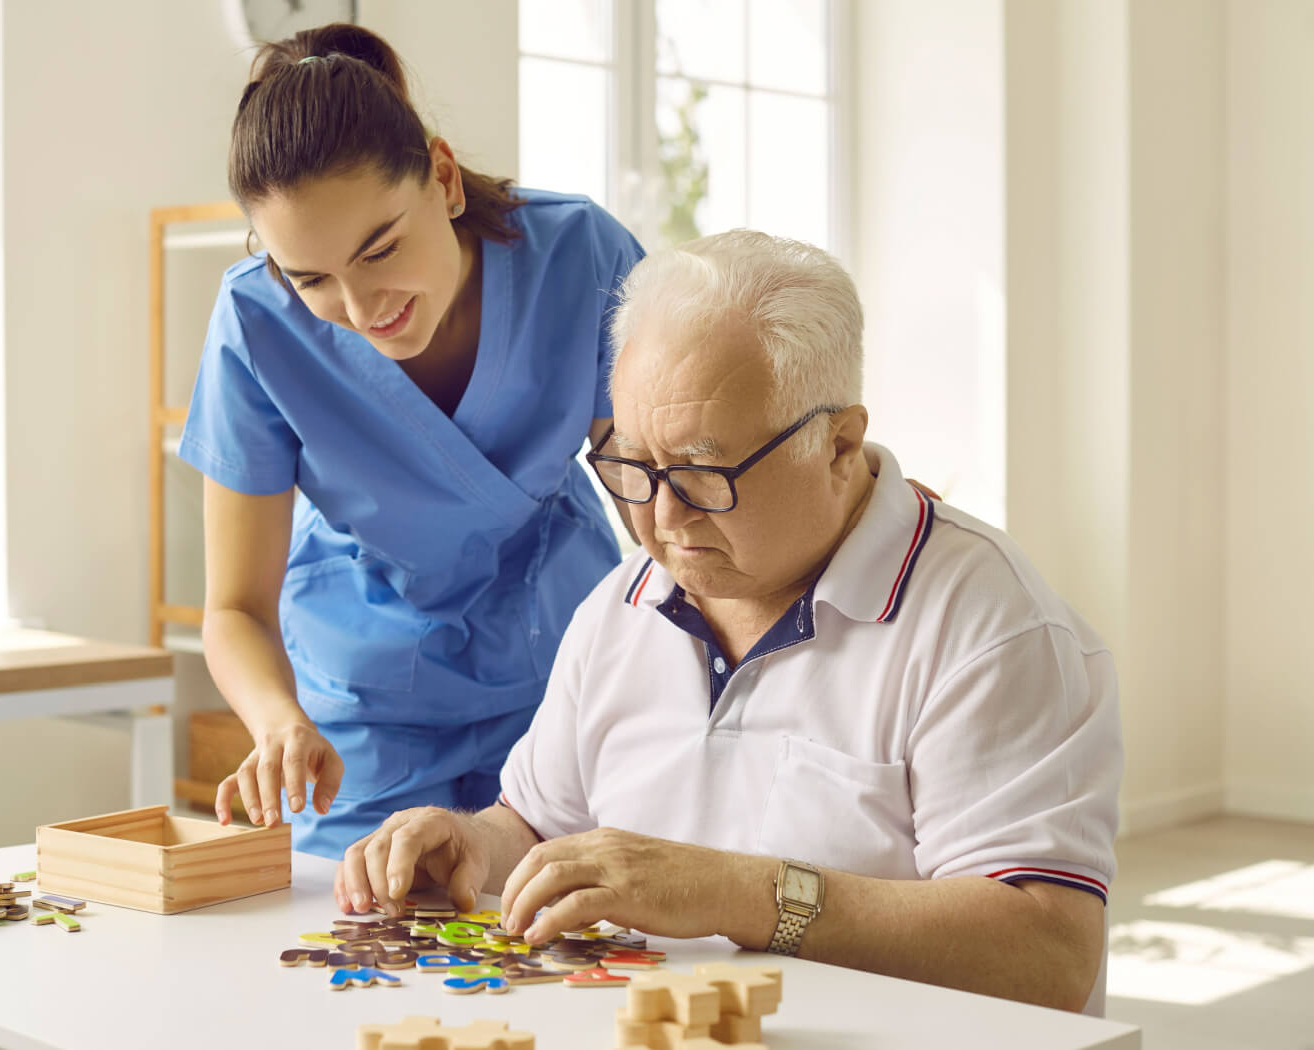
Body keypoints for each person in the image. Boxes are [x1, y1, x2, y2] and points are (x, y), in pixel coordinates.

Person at [333, 231, 1124, 1015]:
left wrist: (739, 892)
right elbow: (541, 826)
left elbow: (1049, 953)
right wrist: (472, 848)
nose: (662, 518)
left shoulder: (989, 626)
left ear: (838, 444)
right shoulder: (621, 605)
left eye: (704, 474)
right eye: (633, 467)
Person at [178, 23, 645, 858]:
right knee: (363, 932)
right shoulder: (255, 322)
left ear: (441, 175)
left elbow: (664, 510)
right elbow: (235, 609)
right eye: (312, 279)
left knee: (571, 940)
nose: (362, 309)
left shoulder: (581, 255)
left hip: (562, 676)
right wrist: (279, 723)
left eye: (380, 248)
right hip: (368, 709)